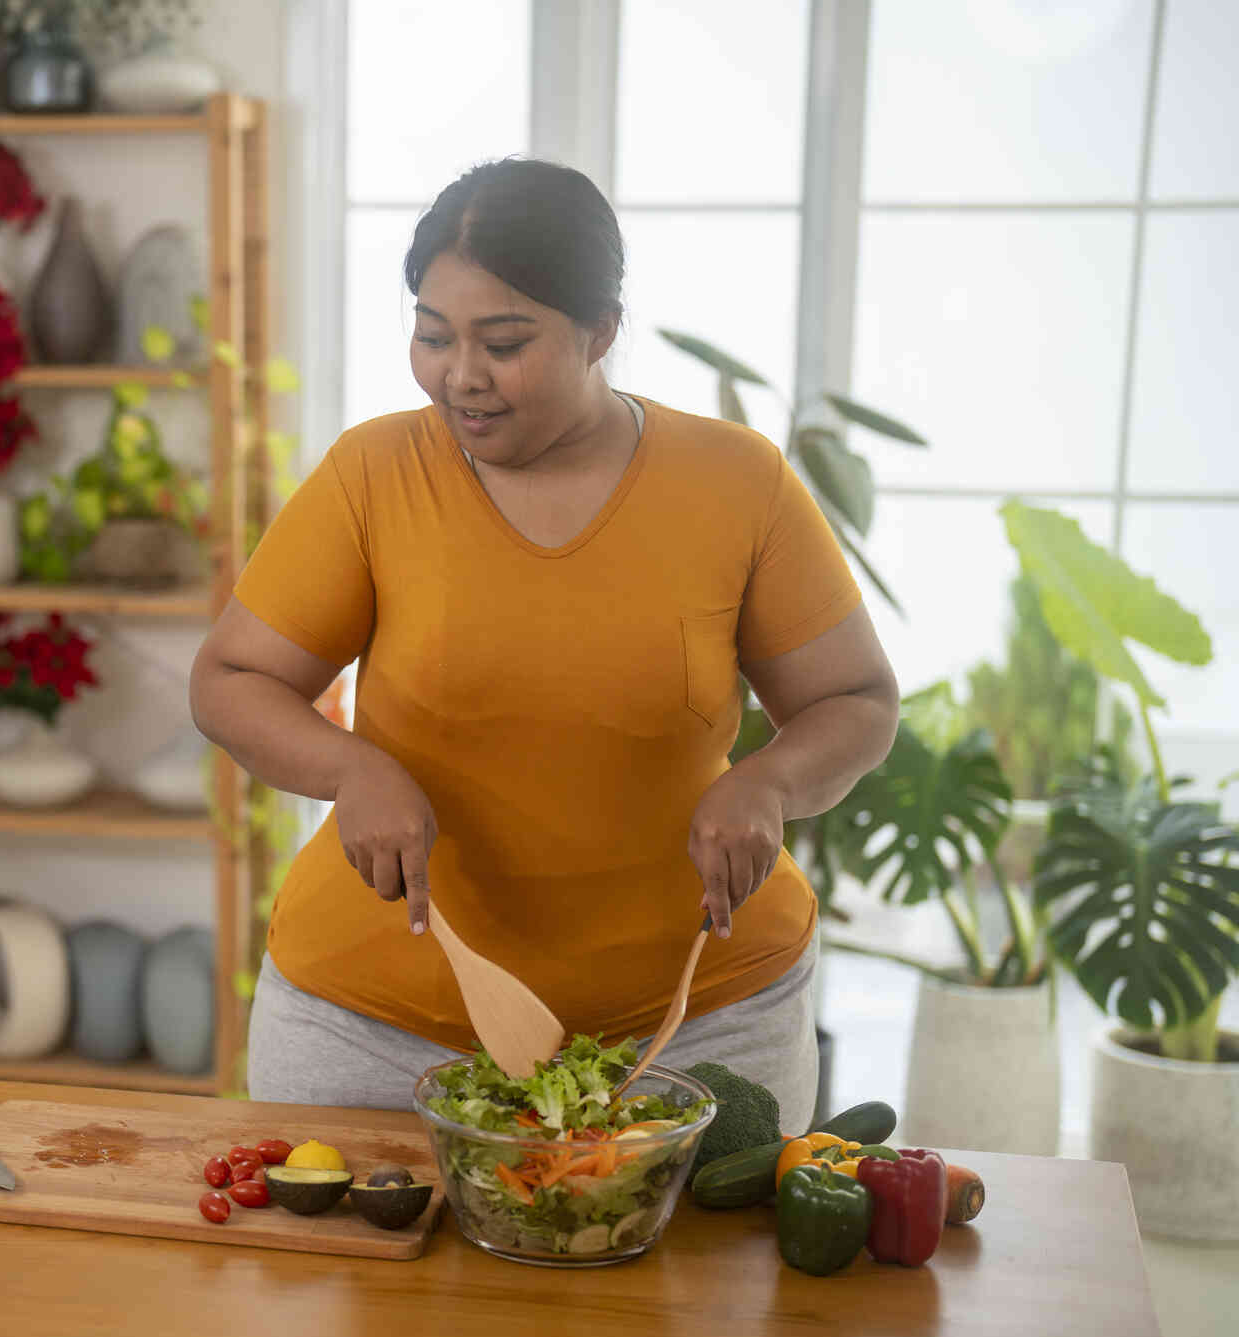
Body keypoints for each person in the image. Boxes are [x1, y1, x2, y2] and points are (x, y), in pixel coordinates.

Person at [190, 158, 898, 1125]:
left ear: (601, 332)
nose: (461, 375)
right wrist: (349, 767)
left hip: (700, 1028)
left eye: (505, 341)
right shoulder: (374, 475)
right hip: (373, 1026)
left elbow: (855, 700)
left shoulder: (738, 485)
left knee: (701, 1285)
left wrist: (770, 781)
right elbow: (231, 678)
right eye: (433, 336)